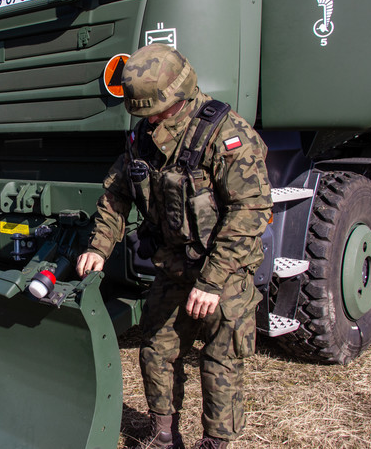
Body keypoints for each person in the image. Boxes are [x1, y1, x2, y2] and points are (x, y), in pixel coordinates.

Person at [76, 45, 272, 449]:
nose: (151, 120)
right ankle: (163, 436)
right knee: (157, 349)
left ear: (181, 93)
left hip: (225, 270)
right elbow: (117, 194)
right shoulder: (142, 138)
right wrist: (99, 246)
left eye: (157, 110)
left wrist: (213, 280)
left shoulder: (225, 133)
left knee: (221, 358)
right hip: (173, 265)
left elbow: (249, 211)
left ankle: (215, 442)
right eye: (144, 113)